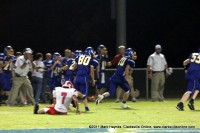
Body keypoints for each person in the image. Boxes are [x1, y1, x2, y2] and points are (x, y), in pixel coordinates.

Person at [74, 47, 98, 111]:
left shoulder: (79, 57)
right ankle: (85, 104)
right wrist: (93, 80)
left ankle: (84, 107)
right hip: (84, 77)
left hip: (78, 76)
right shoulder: (92, 59)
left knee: (74, 91)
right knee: (84, 94)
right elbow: (92, 72)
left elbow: (75, 67)